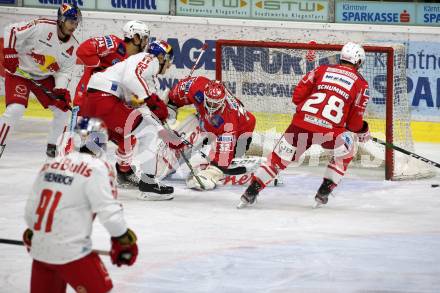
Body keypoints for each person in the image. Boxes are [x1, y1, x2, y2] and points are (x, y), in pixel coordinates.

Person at [238, 42, 371, 208]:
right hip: (329, 131)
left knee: (278, 159)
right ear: (358, 62)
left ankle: (251, 192)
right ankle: (324, 190)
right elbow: (353, 124)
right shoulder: (361, 84)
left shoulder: (321, 70)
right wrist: (363, 130)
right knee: (347, 151)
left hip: (300, 124)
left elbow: (297, 97)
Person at [23, 117, 138, 293]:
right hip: (73, 253)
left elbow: (31, 208)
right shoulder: (97, 167)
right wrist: (123, 240)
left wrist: (34, 233)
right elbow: (108, 211)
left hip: (40, 252)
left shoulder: (51, 164)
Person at [82, 40, 182, 200]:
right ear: (161, 56)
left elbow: (143, 108)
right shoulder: (150, 59)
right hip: (105, 99)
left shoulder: (144, 73)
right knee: (147, 133)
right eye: (169, 60)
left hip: (92, 101)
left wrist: (165, 130)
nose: (169, 65)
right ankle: (148, 185)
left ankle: (77, 181)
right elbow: (132, 80)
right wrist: (150, 101)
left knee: (96, 143)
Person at [73, 20, 150, 185]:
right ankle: (119, 172)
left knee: (118, 140)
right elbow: (83, 50)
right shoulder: (113, 43)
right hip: (88, 100)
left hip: (105, 103)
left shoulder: (135, 61)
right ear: (135, 37)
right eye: (144, 38)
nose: (145, 42)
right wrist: (99, 66)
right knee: (101, 141)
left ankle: (82, 177)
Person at [0, 4, 80, 159]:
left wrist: (60, 90)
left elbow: (64, 71)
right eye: (71, 21)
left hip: (43, 77)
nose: (74, 26)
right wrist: (9, 52)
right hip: (19, 73)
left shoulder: (73, 46)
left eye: (76, 22)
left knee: (62, 111)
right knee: (15, 110)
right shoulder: (42, 26)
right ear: (61, 20)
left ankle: (54, 146)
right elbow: (11, 30)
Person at [164, 76, 256, 190]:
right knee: (194, 123)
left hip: (242, 130)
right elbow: (176, 94)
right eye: (210, 102)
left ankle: (235, 159)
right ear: (204, 94)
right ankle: (165, 160)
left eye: (216, 104)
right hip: (209, 121)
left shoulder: (228, 121)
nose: (212, 106)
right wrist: (169, 108)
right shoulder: (197, 86)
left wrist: (212, 173)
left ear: (223, 101)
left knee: (225, 161)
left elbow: (222, 158)